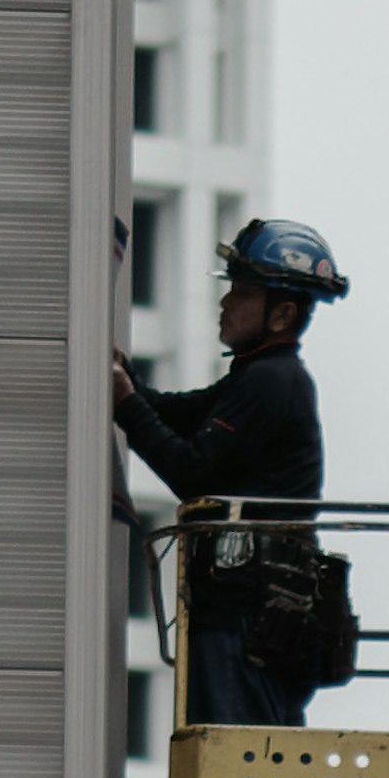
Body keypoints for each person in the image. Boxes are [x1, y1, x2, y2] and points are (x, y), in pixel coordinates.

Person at [110, 216, 348, 726]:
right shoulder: (259, 376)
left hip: (248, 617)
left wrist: (126, 403)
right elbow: (174, 410)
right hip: (246, 611)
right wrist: (124, 380)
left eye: (241, 293)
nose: (226, 303)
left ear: (281, 313)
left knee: (239, 760)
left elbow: (193, 472)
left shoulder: (273, 382)